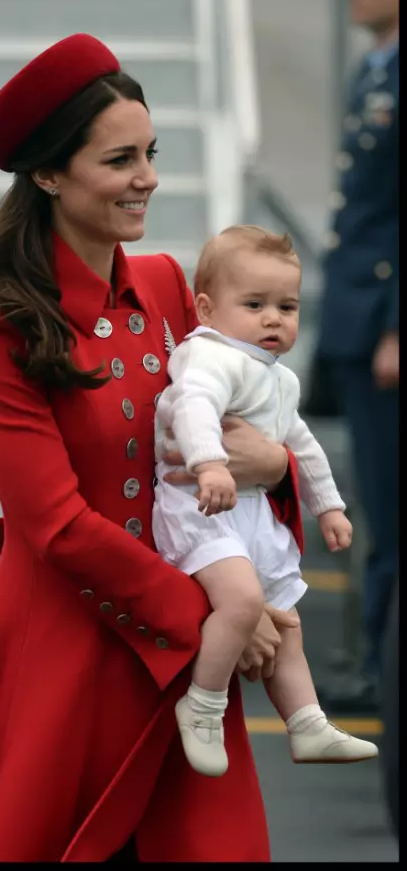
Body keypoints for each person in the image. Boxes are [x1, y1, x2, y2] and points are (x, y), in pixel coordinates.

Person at [0, 33, 301, 864]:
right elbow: (55, 524)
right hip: (67, 659)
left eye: (152, 153)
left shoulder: (174, 287)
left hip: (184, 661)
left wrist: (276, 470)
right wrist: (208, 617)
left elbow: (257, 441)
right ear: (49, 174)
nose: (148, 178)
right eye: (119, 159)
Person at [153, 225, 378, 777]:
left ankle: (306, 722)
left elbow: (300, 442)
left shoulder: (277, 378)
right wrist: (208, 463)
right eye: (254, 304)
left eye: (287, 306)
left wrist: (329, 505)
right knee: (242, 603)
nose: (273, 319)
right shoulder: (208, 355)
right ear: (206, 308)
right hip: (199, 506)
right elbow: (194, 409)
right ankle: (202, 706)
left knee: (288, 622)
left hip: (249, 511)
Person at [315, 0, 398, 713]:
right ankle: (376, 656)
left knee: (392, 512)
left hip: (384, 324)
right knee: (377, 504)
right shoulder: (375, 71)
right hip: (360, 318)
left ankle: (383, 665)